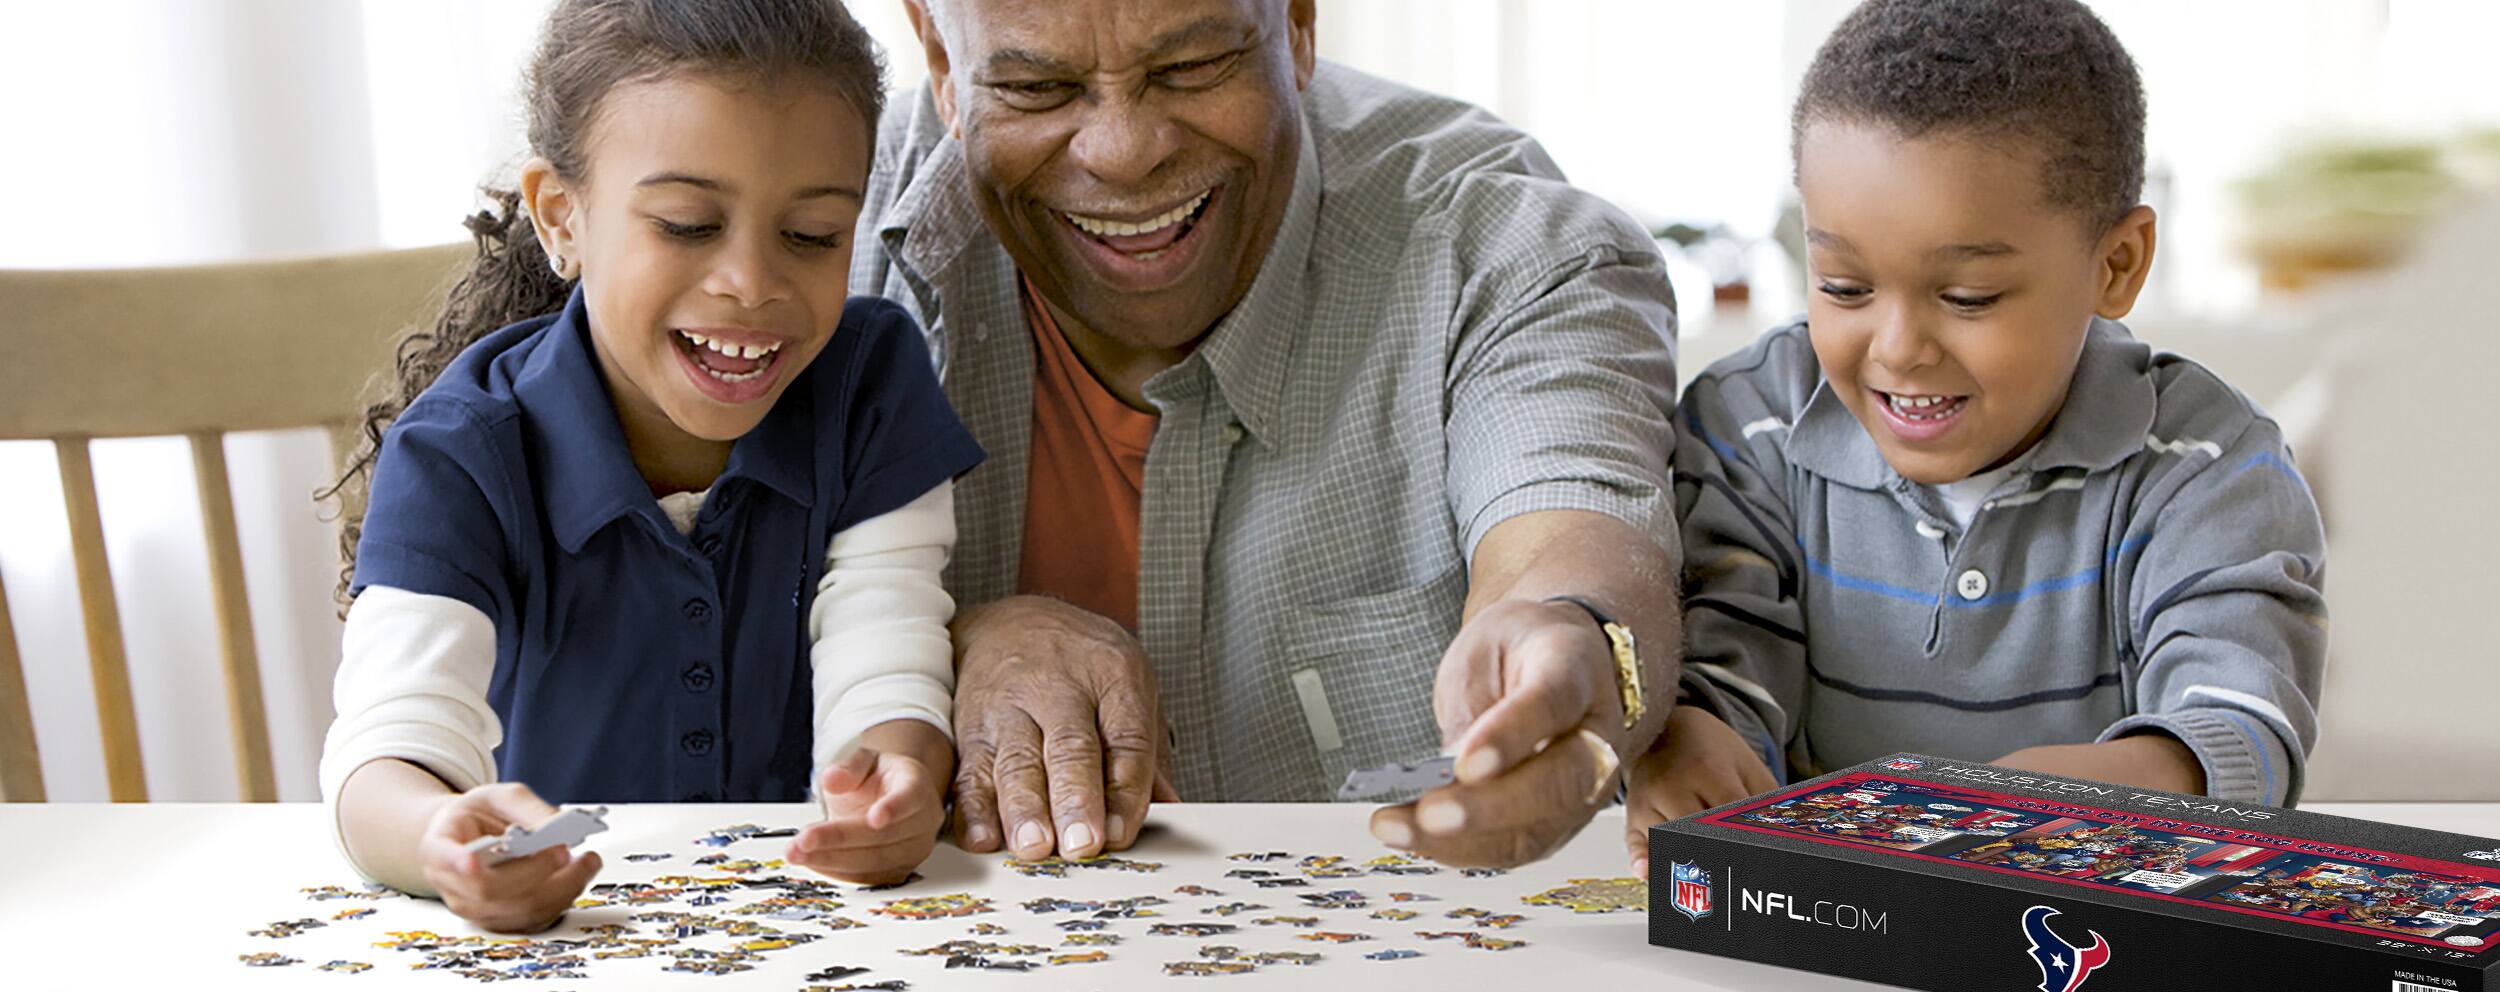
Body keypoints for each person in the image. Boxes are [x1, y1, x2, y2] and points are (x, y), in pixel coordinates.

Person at [857, 0, 1682, 868]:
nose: (1125, 151)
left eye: (1191, 67)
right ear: (941, 61)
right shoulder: (797, 225)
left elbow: (1570, 537)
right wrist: (936, 643)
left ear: (1295, 22)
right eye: (1035, 86)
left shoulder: (1503, 244)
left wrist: (1577, 645)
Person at [316, 0, 983, 932]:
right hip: (565, 940)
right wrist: (438, 836)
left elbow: (886, 651)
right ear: (561, 216)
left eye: (814, 235)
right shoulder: (460, 452)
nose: (751, 282)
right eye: (684, 223)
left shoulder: (871, 385)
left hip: (814, 930)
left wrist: (894, 778)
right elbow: (386, 750)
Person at [1624, 0, 2327, 871]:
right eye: (1843, 286)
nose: (1898, 348)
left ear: (2117, 265)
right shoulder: (1749, 424)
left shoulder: (2207, 465)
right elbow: (1727, 649)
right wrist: (1687, 734)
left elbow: (2240, 714)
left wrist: (2132, 780)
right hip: (1817, 916)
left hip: (2084, 918)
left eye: (1968, 299)